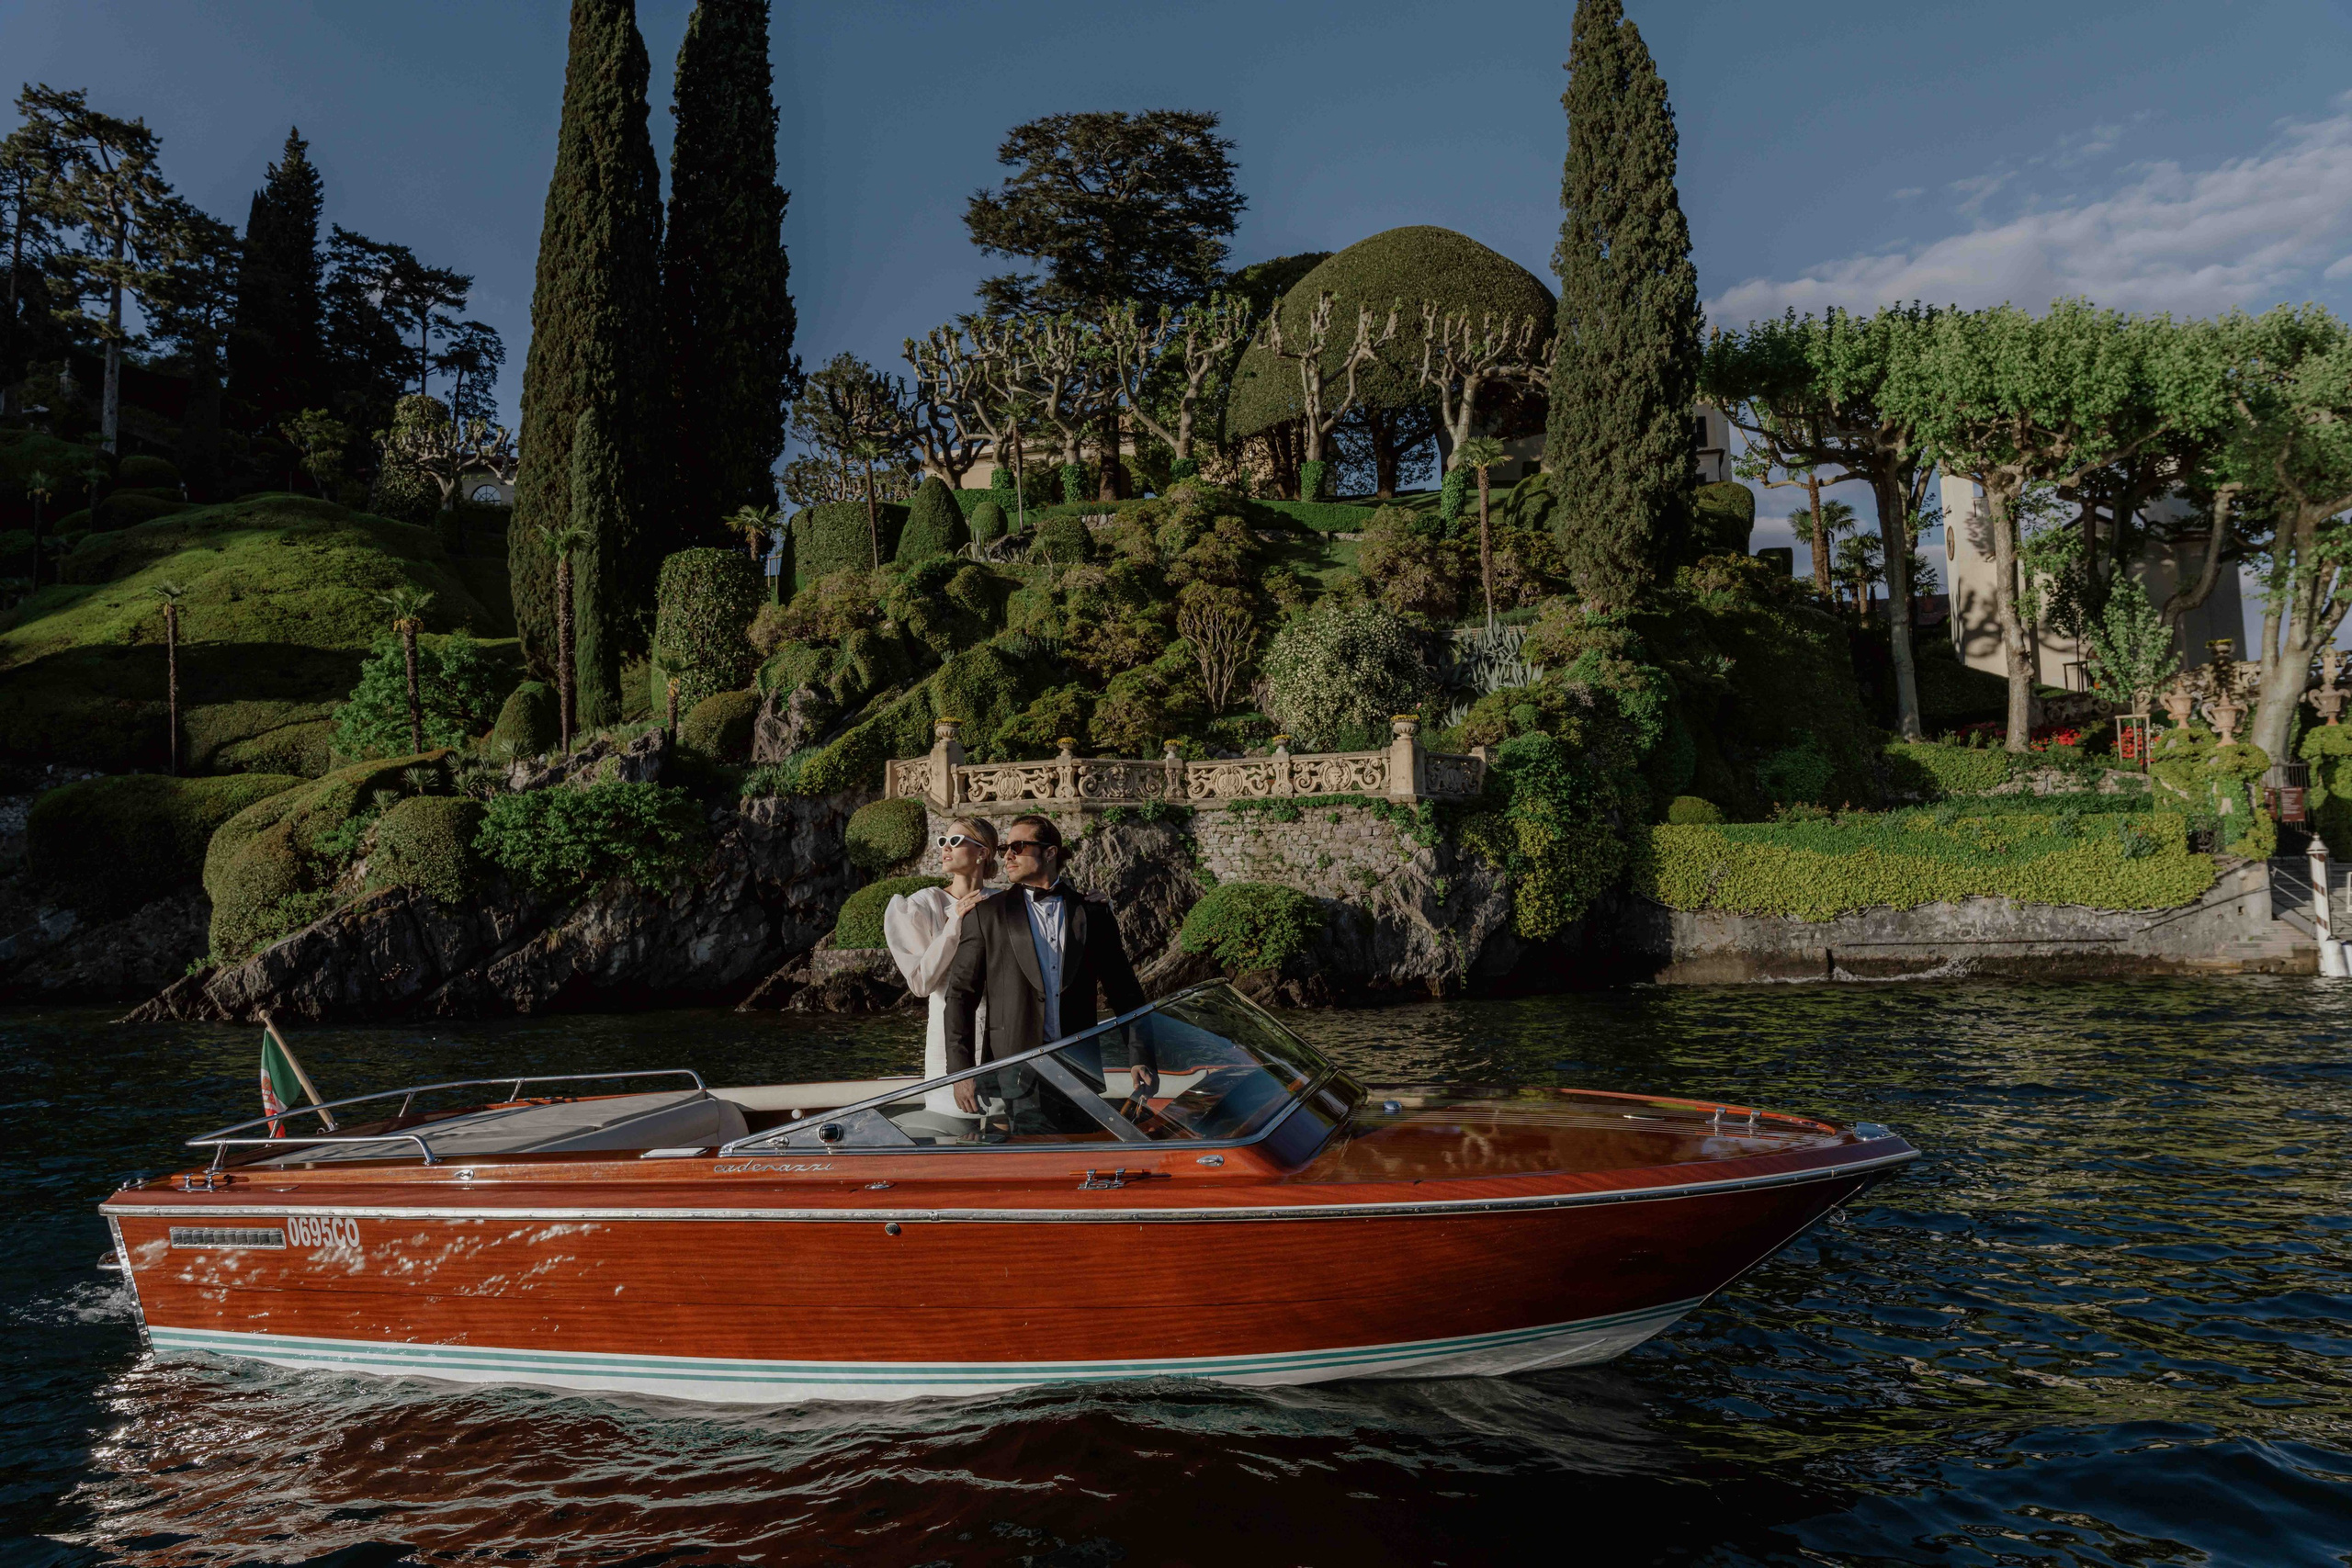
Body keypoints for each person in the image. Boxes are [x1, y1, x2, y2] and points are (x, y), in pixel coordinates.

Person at [941, 813, 1150, 1128]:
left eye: (1019, 846)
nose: (1008, 855)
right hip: (1018, 1073)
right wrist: (961, 1073)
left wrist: (1141, 1056)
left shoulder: (1091, 912)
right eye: (1005, 849)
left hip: (1081, 1071)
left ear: (1050, 852)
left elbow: (1125, 991)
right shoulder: (987, 915)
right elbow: (960, 996)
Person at [880, 817, 999, 1121]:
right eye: (943, 841)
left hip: (1001, 1039)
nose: (946, 848)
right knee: (952, 1124)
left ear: (982, 852)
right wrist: (955, 923)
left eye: (955, 841)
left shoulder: (1003, 902)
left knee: (1004, 1127)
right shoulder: (923, 905)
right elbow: (921, 983)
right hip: (946, 1040)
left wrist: (1088, 905)